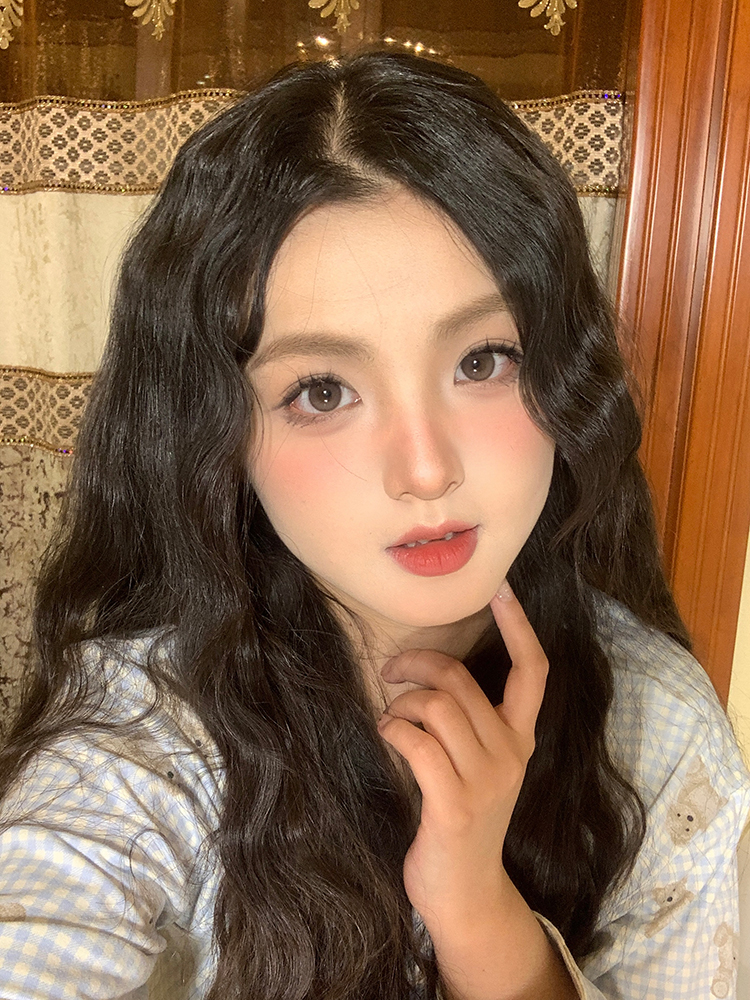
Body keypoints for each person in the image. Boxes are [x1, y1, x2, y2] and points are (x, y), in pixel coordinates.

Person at [0, 51, 748, 1000]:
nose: (426, 470)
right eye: (322, 390)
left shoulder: (655, 728)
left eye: (483, 360)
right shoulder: (148, 738)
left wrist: (479, 914)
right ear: (213, 437)